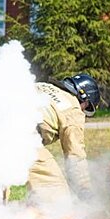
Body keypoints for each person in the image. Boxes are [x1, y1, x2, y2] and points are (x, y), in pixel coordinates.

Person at [26, 73, 101, 203]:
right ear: (84, 99)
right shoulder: (73, 109)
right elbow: (75, 156)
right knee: (55, 195)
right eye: (86, 107)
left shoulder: (43, 86)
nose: (83, 111)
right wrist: (85, 191)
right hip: (20, 137)